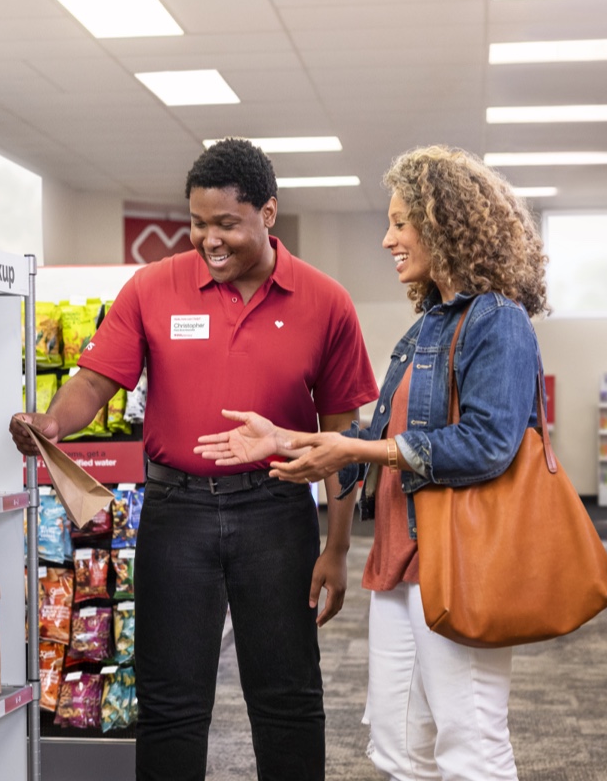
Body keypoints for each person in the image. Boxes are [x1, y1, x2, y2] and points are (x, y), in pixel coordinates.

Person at [9, 138, 379, 781]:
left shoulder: (326, 302)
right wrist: (52, 423)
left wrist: (337, 547)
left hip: (277, 510)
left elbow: (339, 439)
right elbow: (96, 379)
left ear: (268, 213)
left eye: (226, 224)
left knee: (287, 698)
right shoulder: (154, 286)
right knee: (171, 703)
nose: (209, 240)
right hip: (176, 514)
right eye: (198, 224)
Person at [195, 145, 549, 781]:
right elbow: (379, 437)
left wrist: (357, 448)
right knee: (398, 747)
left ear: (444, 225)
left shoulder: (500, 322)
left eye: (401, 223)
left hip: (457, 561)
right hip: (399, 561)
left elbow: (490, 444)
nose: (387, 239)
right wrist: (289, 441)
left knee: (470, 744)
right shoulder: (426, 329)